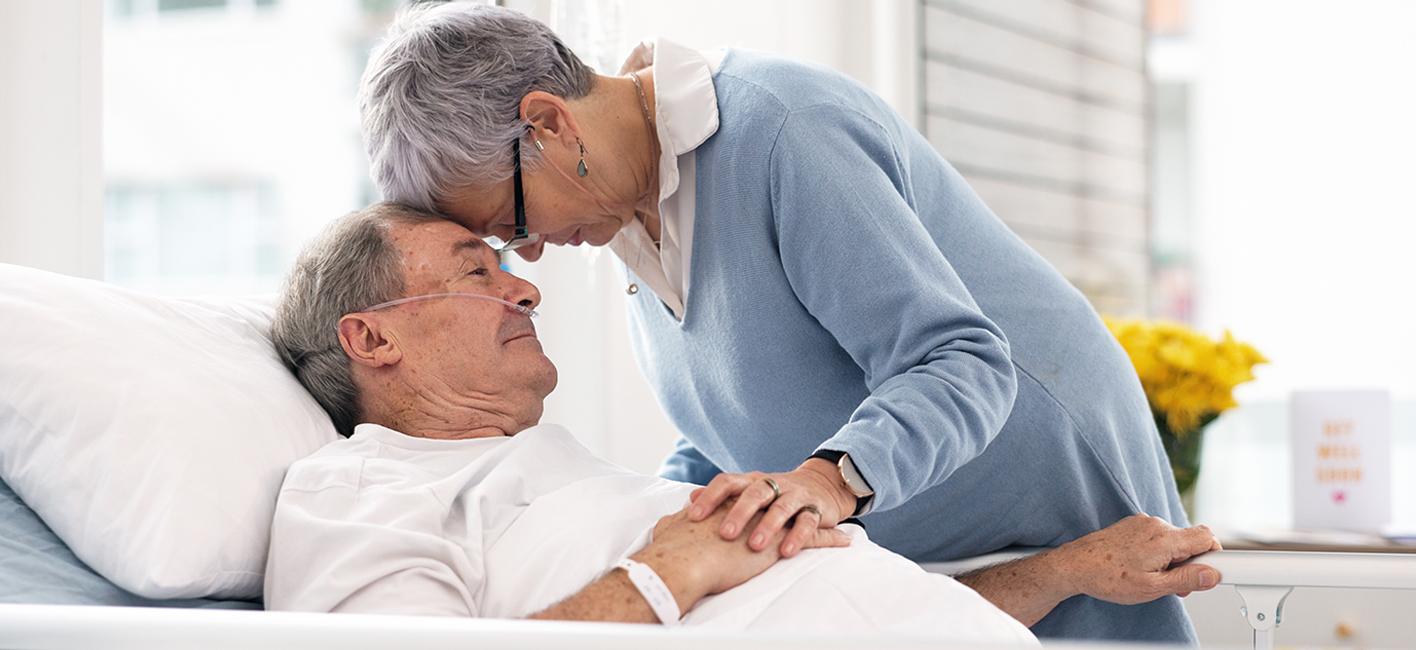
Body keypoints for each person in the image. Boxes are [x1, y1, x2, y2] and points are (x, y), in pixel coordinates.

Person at [357, 4, 1200, 642]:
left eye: (514, 223)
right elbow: (738, 417)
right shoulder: (625, 217)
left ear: (549, 123)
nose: (530, 259)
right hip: (908, 546)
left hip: (1044, 501)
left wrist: (824, 484)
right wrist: (670, 509)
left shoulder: (781, 132)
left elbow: (964, 361)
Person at [264, 203, 1219, 637]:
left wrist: (1069, 571)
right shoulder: (357, 491)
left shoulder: (594, 483)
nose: (525, 287)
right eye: (478, 271)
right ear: (371, 339)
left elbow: (825, 612)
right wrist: (668, 571)